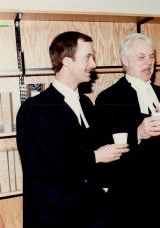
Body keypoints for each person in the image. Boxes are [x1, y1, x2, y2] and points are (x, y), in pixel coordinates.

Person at [16, 31, 129, 228]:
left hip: (93, 216)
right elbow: (45, 170)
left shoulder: (85, 103)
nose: (94, 64)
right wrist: (95, 157)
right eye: (88, 57)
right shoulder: (34, 110)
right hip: (56, 218)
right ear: (67, 61)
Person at [94, 33, 160, 228]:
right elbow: (104, 146)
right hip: (133, 187)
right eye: (141, 57)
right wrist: (138, 133)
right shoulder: (108, 98)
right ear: (125, 60)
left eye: (151, 57)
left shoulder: (159, 93)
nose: (148, 62)